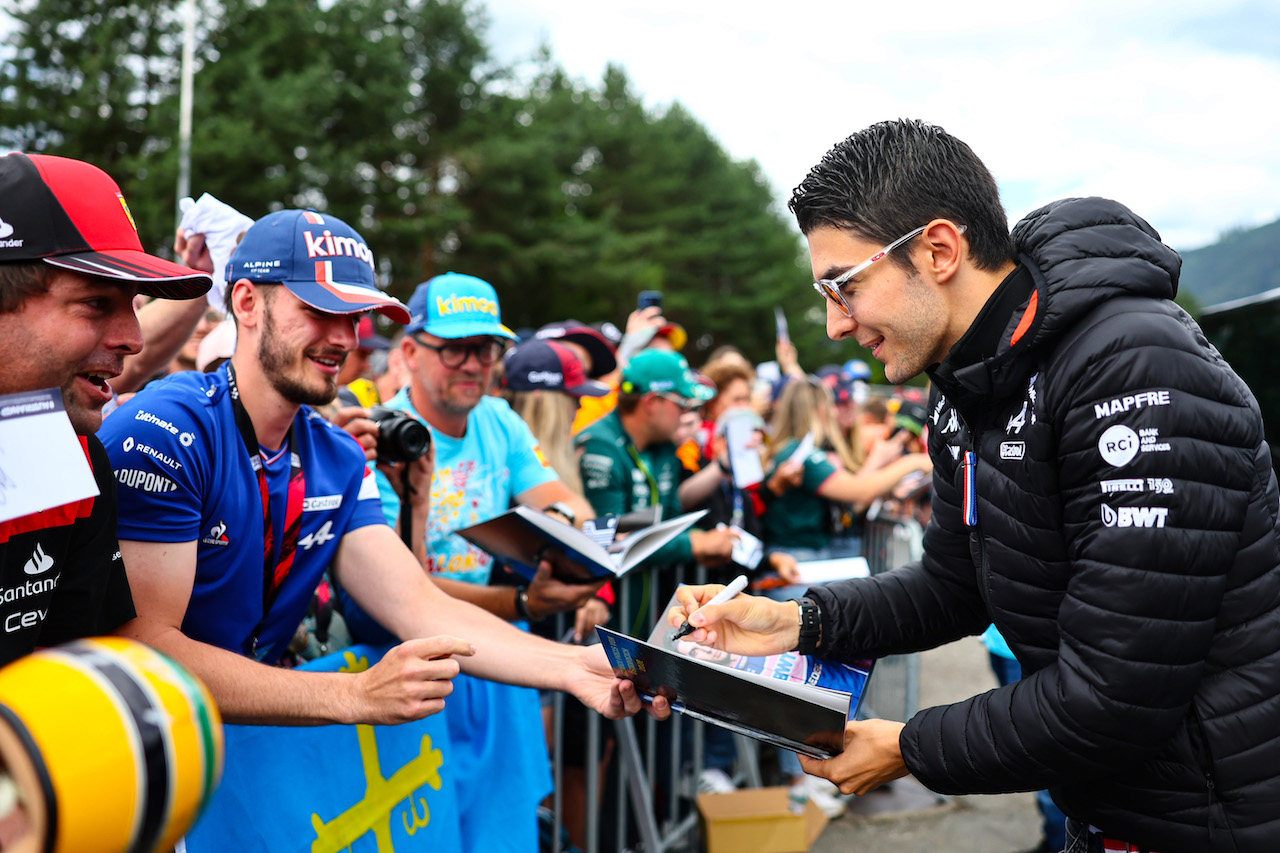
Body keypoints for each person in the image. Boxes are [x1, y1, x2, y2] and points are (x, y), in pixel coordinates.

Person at [670, 118, 1280, 853]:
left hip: (1224, 818)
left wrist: (910, 746)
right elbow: (954, 585)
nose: (834, 323)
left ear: (938, 249)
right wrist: (795, 620)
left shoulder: (1136, 364)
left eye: (845, 286)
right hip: (1116, 810)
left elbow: (1115, 692)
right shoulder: (965, 386)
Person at [99, 211, 660, 734]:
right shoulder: (164, 429)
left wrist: (573, 665)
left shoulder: (337, 455)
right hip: (141, 749)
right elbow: (149, 646)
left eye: (355, 315)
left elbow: (418, 604)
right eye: (319, 310)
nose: (346, 337)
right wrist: (353, 695)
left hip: (243, 751)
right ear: (246, 302)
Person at [335, 272, 610, 853]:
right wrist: (521, 602)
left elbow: (560, 499)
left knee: (504, 824)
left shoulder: (498, 419)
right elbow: (401, 589)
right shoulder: (383, 439)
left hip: (492, 656)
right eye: (456, 348)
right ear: (409, 351)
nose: (474, 364)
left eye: (487, 348)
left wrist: (566, 543)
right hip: (405, 664)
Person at [0, 151, 212, 667]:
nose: (133, 340)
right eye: (97, 303)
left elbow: (75, 666)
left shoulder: (76, 455)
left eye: (132, 305)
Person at [575, 350, 738, 572]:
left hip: (649, 597)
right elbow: (610, 539)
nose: (687, 415)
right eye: (683, 404)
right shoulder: (599, 447)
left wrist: (706, 539)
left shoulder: (664, 446)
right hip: (605, 599)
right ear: (651, 402)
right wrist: (695, 543)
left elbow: (670, 520)